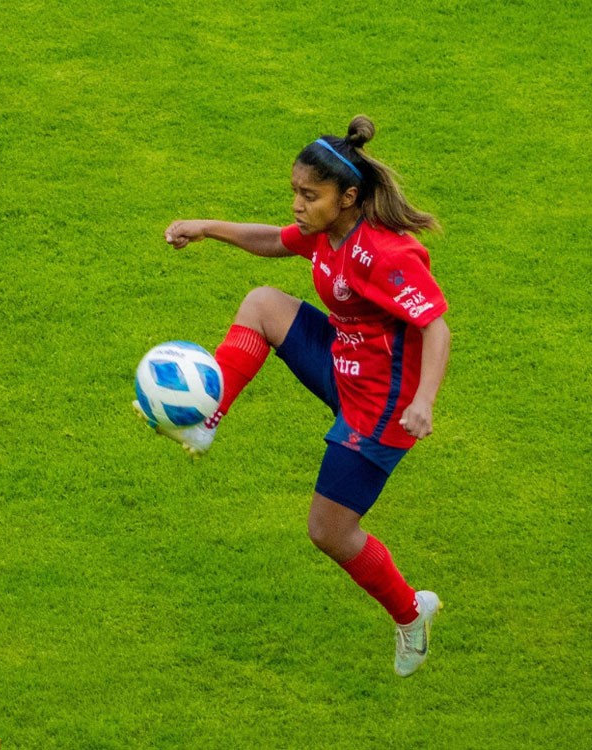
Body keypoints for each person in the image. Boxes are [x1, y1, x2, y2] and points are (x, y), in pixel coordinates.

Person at [139, 115, 451, 677]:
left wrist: (424, 400)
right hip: (342, 362)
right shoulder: (327, 233)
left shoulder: (385, 255)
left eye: (310, 195)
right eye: (295, 192)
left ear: (348, 196)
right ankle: (205, 417)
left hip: (381, 409)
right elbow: (273, 241)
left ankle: (411, 614)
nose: (297, 204)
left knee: (329, 531)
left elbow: (436, 327)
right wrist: (205, 226)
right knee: (262, 303)